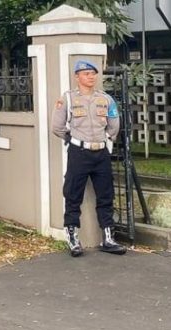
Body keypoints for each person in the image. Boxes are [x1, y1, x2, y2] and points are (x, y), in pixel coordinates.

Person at [51, 60, 127, 257]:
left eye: (93, 73)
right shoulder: (67, 99)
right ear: (77, 77)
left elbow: (114, 124)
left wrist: (107, 138)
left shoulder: (106, 99)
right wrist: (73, 140)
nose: (91, 77)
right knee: (73, 194)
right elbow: (57, 126)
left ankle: (108, 238)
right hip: (79, 153)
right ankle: (73, 238)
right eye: (86, 73)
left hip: (101, 153)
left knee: (106, 194)